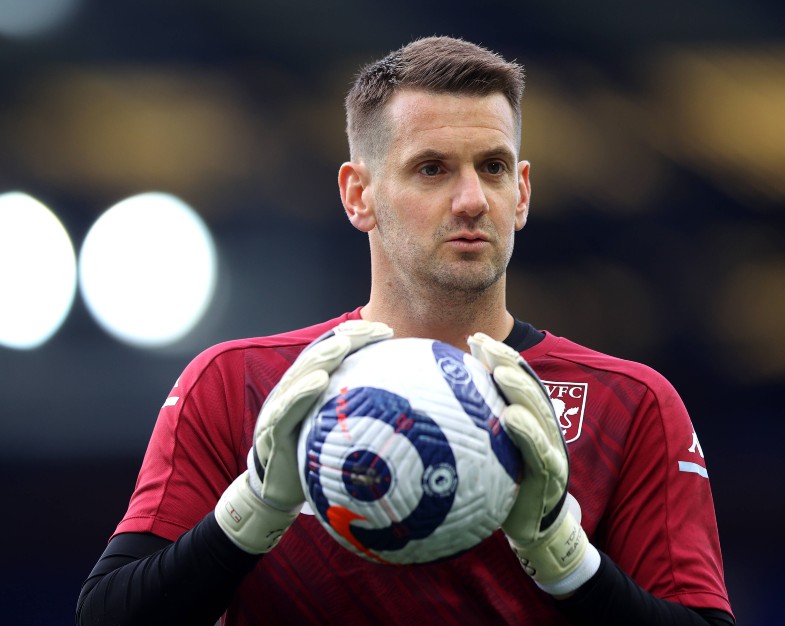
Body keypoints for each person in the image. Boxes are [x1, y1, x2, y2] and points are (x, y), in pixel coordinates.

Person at [76, 36, 734, 625]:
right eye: (432, 169)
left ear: (523, 193)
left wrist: (564, 558)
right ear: (358, 194)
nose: (473, 198)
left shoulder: (632, 403)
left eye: (494, 167)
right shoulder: (239, 385)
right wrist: (252, 508)